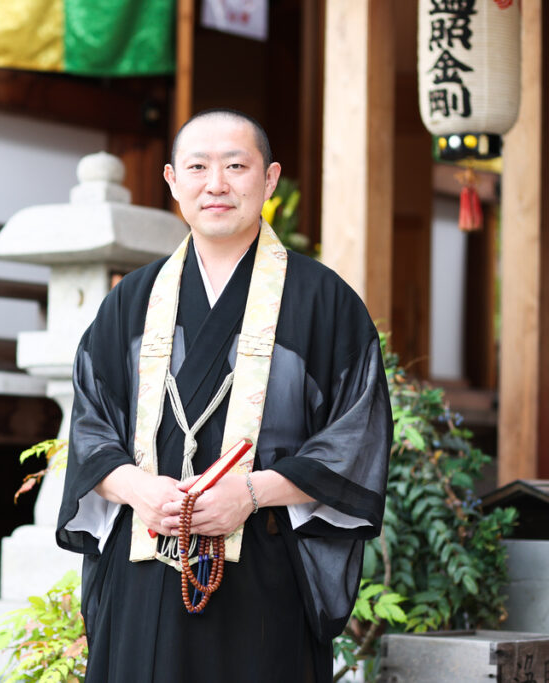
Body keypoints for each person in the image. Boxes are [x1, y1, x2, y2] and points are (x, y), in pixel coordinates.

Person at [55, 109, 392, 682]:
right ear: (171, 180)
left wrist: (252, 493)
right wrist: (139, 489)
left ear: (269, 179)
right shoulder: (130, 303)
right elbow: (90, 432)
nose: (216, 183)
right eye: (198, 167)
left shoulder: (324, 304)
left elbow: (354, 438)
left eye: (236, 165)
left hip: (264, 564)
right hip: (146, 560)